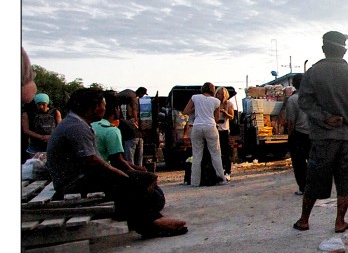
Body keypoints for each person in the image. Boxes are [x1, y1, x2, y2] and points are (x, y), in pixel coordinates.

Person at [46, 87, 186, 238]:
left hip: (75, 178)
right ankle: (151, 223)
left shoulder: (77, 123)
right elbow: (91, 160)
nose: (104, 108)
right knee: (135, 182)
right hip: (72, 183)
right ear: (92, 106)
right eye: (102, 105)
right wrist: (119, 173)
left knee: (137, 180)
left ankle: (150, 221)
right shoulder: (77, 127)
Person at [293, 31, 348, 233]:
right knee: (346, 179)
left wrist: (325, 117)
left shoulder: (313, 73)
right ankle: (339, 222)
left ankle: (304, 220)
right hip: (347, 136)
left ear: (323, 49)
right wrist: (346, 108)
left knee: (315, 178)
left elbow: (304, 102)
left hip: (323, 136)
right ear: (344, 50)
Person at [182, 82, 227, 186]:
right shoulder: (216, 101)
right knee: (215, 154)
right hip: (211, 126)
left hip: (197, 126)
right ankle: (221, 178)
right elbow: (216, 118)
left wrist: (196, 109)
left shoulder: (195, 97)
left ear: (203, 89)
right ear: (213, 90)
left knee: (197, 155)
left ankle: (195, 182)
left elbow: (185, 111)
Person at [283, 73, 311, 196]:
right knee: (314, 162)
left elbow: (291, 122)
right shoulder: (313, 98)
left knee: (299, 163)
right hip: (314, 134)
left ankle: (303, 187)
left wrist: (290, 136)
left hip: (299, 134)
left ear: (294, 85)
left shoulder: (293, 99)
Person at [23, 92, 61, 160]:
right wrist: (41, 137)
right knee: (34, 166)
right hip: (34, 146)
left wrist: (50, 137)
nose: (41, 107)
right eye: (38, 104)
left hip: (51, 145)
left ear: (48, 103)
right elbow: (26, 130)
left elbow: (61, 128)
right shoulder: (28, 113)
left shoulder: (55, 112)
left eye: (43, 104)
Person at [214, 87, 235, 180]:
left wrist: (225, 112)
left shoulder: (229, 104)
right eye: (218, 94)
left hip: (224, 128)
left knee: (225, 151)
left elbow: (231, 116)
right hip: (214, 128)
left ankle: (227, 171)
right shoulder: (214, 103)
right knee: (215, 150)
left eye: (222, 94)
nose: (220, 96)